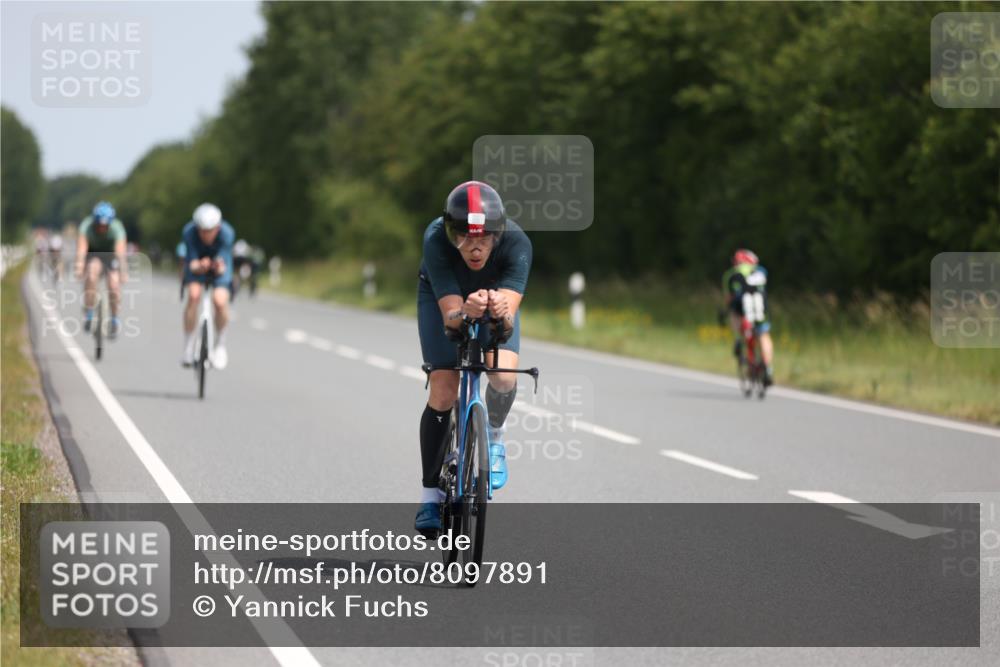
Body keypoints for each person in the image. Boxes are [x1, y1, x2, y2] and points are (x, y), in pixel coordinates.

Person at [414, 181, 532, 535]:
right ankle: (429, 496)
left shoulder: (517, 243)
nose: (474, 247)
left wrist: (500, 312)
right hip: (444, 300)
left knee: (504, 375)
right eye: (463, 237)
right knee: (444, 388)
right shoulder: (436, 238)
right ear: (451, 233)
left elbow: (505, 327)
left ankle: (494, 437)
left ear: (498, 234)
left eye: (482, 238)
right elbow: (451, 320)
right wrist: (464, 311)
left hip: (494, 299)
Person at [180, 203, 235, 369]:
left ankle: (221, 345)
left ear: (217, 228)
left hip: (219, 265)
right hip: (197, 264)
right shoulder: (189, 232)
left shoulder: (227, 233)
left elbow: (223, 266)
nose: (205, 234)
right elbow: (191, 263)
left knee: (219, 300)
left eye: (209, 230)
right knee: (193, 295)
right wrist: (199, 266)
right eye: (202, 230)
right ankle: (188, 345)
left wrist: (216, 266)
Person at [721, 248, 774, 385]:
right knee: (764, 336)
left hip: (742, 308)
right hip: (760, 307)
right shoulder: (761, 271)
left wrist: (725, 311)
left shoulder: (730, 274)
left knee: (734, 312)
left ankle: (738, 339)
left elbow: (728, 298)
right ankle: (767, 368)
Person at [75, 202, 128, 338]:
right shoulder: (86, 226)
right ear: (94, 222)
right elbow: (81, 249)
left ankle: (114, 318)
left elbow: (120, 253)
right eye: (99, 225)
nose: (102, 228)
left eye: (105, 226)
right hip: (93, 254)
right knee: (92, 275)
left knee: (114, 286)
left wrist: (123, 272)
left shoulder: (117, 228)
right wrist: (79, 267)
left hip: (110, 255)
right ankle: (89, 312)